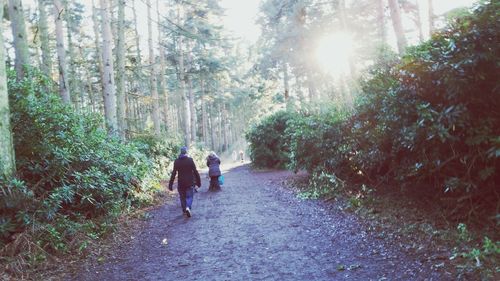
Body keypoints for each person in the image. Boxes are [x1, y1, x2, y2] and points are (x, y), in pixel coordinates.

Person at [168, 146, 201, 217]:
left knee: (182, 197)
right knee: (189, 196)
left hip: (181, 183)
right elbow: (195, 172)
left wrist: (170, 184)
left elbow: (173, 173)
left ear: (180, 152)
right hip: (189, 182)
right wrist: (198, 182)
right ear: (186, 152)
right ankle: (188, 207)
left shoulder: (177, 161)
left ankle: (184, 210)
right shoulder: (190, 160)